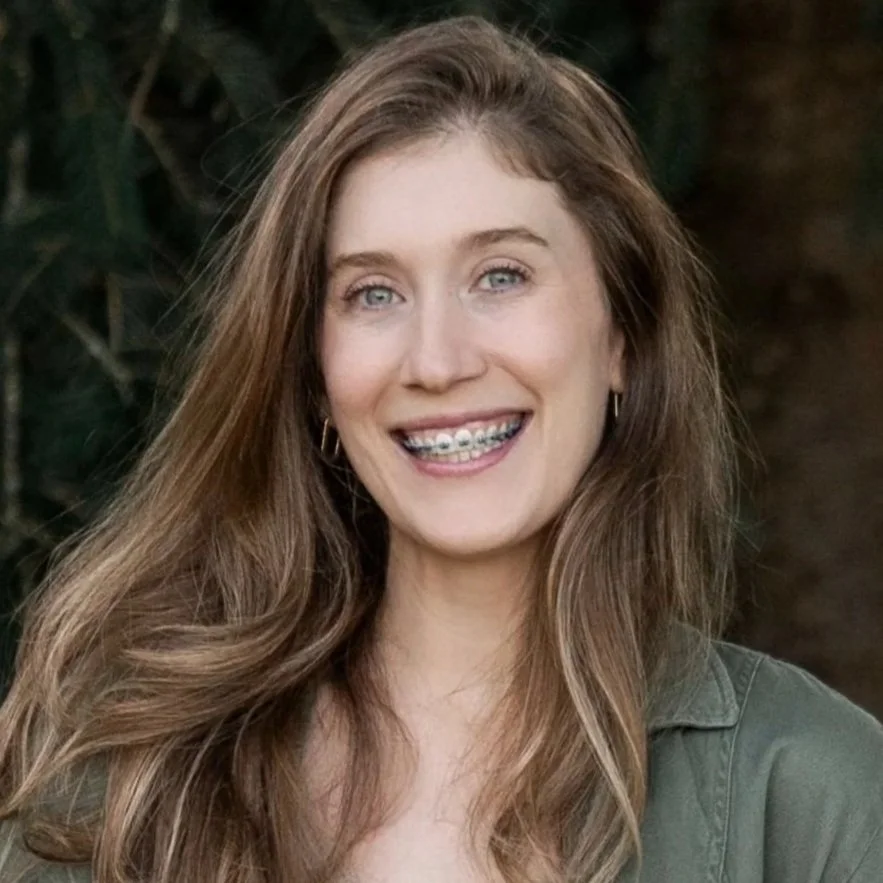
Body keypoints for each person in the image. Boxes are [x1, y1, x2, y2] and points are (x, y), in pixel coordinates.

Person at [1, 14, 881, 883]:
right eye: (373, 292)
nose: (436, 360)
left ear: (622, 338)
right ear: (313, 372)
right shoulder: (128, 780)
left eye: (500, 275)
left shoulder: (812, 798)